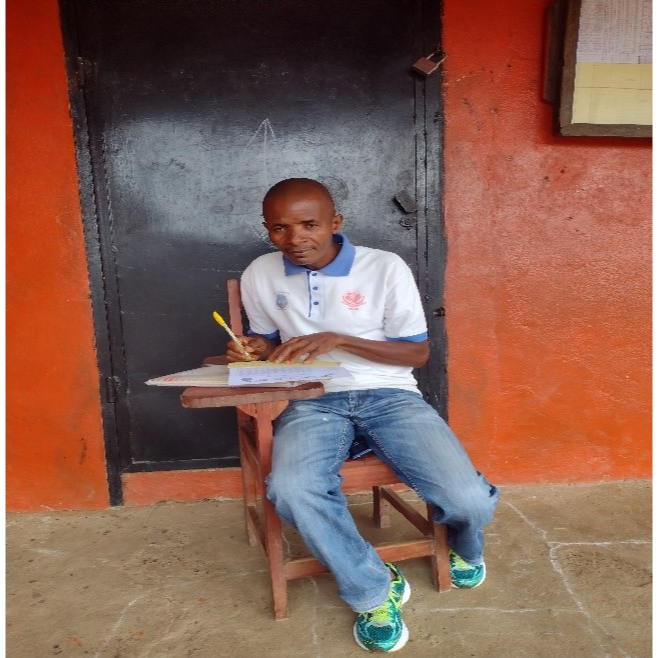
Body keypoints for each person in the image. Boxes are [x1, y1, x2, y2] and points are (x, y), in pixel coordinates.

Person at [225, 178, 499, 653]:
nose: (295, 239)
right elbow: (267, 341)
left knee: (468, 500)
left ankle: (464, 541)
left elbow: (417, 354)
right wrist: (255, 347)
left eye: (309, 224)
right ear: (267, 230)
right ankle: (372, 588)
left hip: (389, 396)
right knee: (291, 489)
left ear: (336, 223)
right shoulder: (260, 273)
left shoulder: (385, 267)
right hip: (311, 398)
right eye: (280, 228)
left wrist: (339, 338)